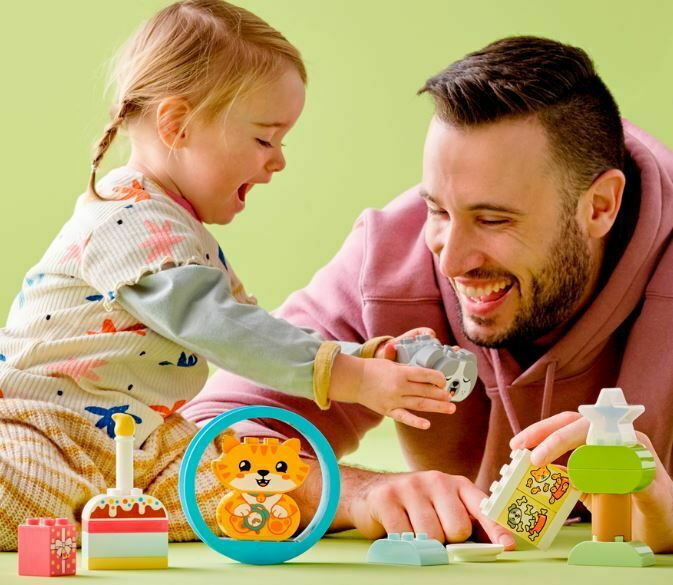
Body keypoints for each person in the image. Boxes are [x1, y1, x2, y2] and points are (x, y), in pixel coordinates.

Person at [183, 36, 673, 552]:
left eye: (493, 219)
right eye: (437, 210)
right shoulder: (393, 258)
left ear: (600, 206)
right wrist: (356, 495)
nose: (450, 261)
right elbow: (188, 446)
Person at [0, 0, 453, 551]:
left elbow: (257, 333)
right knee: (27, 487)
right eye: (264, 139)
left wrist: (364, 358)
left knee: (255, 482)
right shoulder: (125, 217)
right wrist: (349, 377)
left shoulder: (182, 231)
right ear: (177, 125)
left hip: (143, 443)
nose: (278, 161)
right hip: (43, 424)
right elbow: (221, 328)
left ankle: (102, 511)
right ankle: (79, 509)